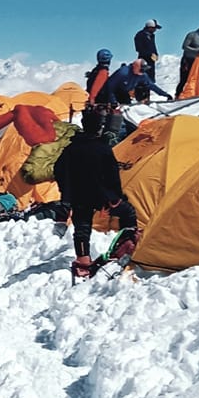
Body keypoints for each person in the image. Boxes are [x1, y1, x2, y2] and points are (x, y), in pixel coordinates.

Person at [54, 108, 138, 278]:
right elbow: (112, 175)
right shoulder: (103, 148)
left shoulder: (71, 148)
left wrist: (67, 191)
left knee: (82, 228)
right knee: (128, 213)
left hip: (79, 196)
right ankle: (125, 246)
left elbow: (59, 170)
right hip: (103, 196)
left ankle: (83, 262)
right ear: (99, 127)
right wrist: (115, 197)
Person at [176, 24, 199, 97]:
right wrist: (196, 50)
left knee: (195, 79)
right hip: (187, 60)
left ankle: (194, 93)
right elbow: (184, 46)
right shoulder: (192, 35)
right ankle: (178, 94)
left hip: (198, 62)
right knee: (184, 79)